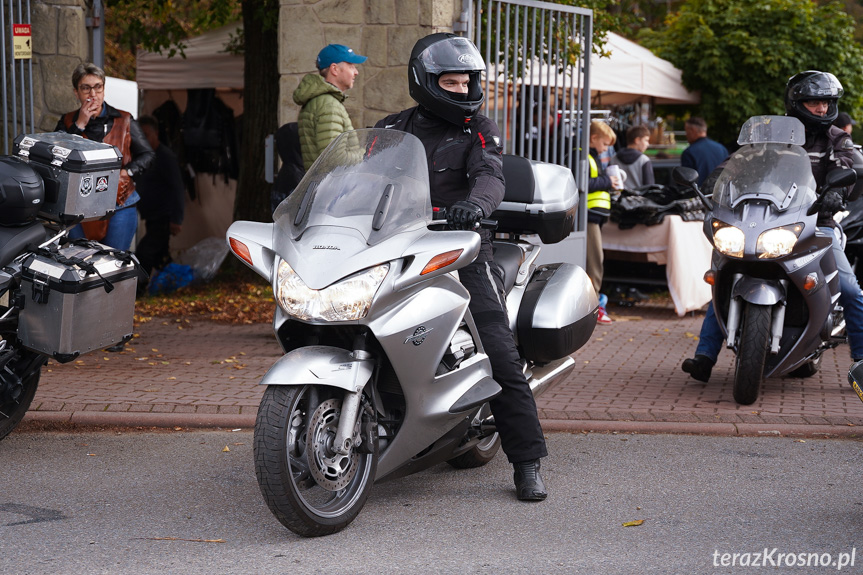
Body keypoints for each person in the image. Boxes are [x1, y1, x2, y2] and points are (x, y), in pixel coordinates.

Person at [375, 33, 548, 501]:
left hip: (463, 251)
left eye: (468, 81)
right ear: (424, 81)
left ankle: (527, 461)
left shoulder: (479, 130)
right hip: (395, 249)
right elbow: (362, 181)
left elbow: (490, 173)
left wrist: (474, 206)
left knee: (498, 351)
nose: (462, 90)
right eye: (450, 82)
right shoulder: (392, 129)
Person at [682, 71, 863, 382]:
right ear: (795, 103)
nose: (821, 108)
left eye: (826, 102)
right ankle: (704, 355)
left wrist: (837, 191)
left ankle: (861, 359)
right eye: (813, 101)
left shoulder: (836, 138)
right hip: (763, 221)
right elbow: (738, 161)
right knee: (726, 272)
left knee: (849, 288)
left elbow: (852, 165)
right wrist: (714, 181)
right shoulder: (768, 136)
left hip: (817, 224)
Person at [56, 63, 155, 250]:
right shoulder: (68, 121)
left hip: (119, 203)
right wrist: (80, 125)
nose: (93, 94)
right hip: (78, 206)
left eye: (98, 87)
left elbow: (147, 154)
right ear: (76, 92)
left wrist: (127, 172)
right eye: (86, 88)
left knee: (113, 262)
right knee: (80, 263)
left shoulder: (124, 119)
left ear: (103, 89)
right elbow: (59, 159)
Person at [293, 44, 367, 170]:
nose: (356, 72)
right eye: (351, 66)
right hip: (333, 187)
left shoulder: (320, 101)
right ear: (335, 69)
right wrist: (365, 154)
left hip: (324, 185)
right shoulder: (328, 105)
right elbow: (334, 159)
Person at [134, 115, 185, 284]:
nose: (143, 139)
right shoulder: (143, 155)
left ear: (156, 133)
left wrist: (176, 219)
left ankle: (139, 288)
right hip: (151, 215)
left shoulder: (165, 156)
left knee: (144, 252)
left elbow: (178, 188)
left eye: (146, 134)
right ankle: (171, 283)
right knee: (161, 256)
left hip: (164, 216)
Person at [586, 120, 621, 325]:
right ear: (594, 138)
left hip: (593, 215)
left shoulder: (593, 156)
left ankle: (593, 305)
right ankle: (595, 307)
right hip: (589, 216)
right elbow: (583, 182)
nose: (606, 148)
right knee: (595, 262)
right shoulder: (586, 156)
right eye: (605, 143)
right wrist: (609, 181)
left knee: (594, 261)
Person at [680, 116, 729, 186]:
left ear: (692, 130)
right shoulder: (722, 149)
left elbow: (686, 183)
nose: (686, 135)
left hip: (698, 195)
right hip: (720, 194)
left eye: (686, 131)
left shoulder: (689, 152)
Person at [610, 124, 655, 189]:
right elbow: (650, 187)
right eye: (646, 140)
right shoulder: (644, 160)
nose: (647, 144)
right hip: (639, 198)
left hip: (619, 198)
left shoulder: (613, 159)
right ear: (637, 140)